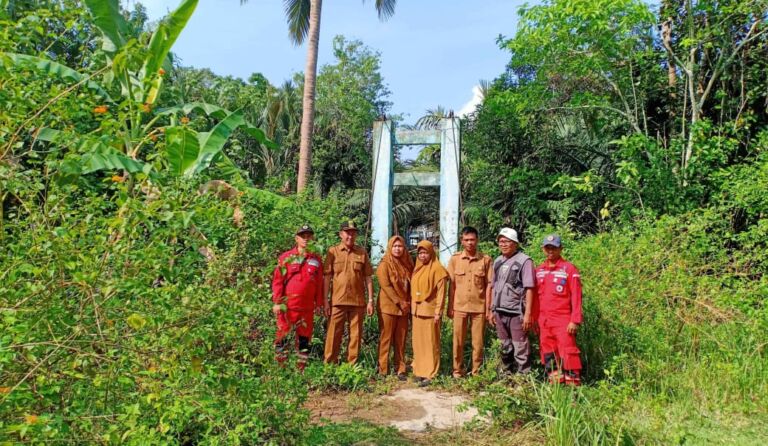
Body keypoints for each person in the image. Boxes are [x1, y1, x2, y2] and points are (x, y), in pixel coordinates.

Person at [271, 224, 325, 371]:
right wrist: (277, 302)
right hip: (288, 308)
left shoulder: (316, 260)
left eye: (309, 236)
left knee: (303, 341)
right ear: (296, 239)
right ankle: (281, 370)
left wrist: (319, 304)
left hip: (307, 309)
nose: (306, 239)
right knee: (283, 339)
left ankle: (300, 370)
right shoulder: (286, 258)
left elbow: (319, 284)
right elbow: (277, 282)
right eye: (303, 237)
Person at [323, 220, 374, 364]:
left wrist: (370, 300)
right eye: (347, 233)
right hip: (337, 301)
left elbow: (368, 277)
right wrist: (325, 300)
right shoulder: (333, 252)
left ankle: (352, 366)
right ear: (341, 234)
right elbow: (327, 277)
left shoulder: (362, 252)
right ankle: (330, 363)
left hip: (357, 301)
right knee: (334, 333)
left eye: (353, 233)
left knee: (356, 335)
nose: (350, 236)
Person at [534, 234, 583, 385]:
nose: (550, 251)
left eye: (554, 248)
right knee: (548, 352)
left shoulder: (569, 269)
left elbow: (576, 296)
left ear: (560, 249)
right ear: (543, 249)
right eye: (547, 248)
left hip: (563, 319)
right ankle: (556, 387)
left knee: (568, 352)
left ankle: (573, 388)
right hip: (544, 320)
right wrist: (535, 319)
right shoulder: (539, 270)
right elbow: (535, 298)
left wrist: (575, 320)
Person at [487, 227, 536, 375]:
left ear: (515, 243)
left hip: (516, 312)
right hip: (500, 311)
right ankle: (506, 375)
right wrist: (491, 310)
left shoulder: (524, 261)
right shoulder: (497, 261)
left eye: (507, 241)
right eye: (501, 241)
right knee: (504, 345)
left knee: (520, 346)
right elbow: (493, 286)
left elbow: (529, 288)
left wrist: (527, 314)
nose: (503, 244)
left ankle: (523, 378)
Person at [447, 226, 492, 378]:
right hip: (459, 307)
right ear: (462, 241)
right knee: (458, 341)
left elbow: (489, 286)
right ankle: (457, 370)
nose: (470, 243)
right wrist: (450, 306)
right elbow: (451, 286)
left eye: (472, 240)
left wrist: (488, 309)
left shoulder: (485, 260)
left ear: (477, 240)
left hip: (479, 308)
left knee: (477, 343)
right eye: (466, 240)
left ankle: (476, 372)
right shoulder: (455, 259)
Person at [410, 240, 448, 386]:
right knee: (419, 343)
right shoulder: (417, 268)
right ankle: (419, 371)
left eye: (425, 252)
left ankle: (431, 373)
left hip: (431, 312)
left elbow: (441, 294)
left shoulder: (438, 269)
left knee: (431, 343)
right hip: (417, 312)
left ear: (431, 253)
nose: (422, 256)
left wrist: (438, 312)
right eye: (420, 253)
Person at [375, 235, 414, 379]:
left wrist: (408, 302)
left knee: (401, 339)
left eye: (400, 246)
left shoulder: (407, 264)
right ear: (390, 248)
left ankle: (400, 368)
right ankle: (382, 369)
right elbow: (386, 286)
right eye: (395, 246)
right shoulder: (384, 264)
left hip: (404, 308)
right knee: (386, 337)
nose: (397, 249)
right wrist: (399, 301)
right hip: (388, 306)